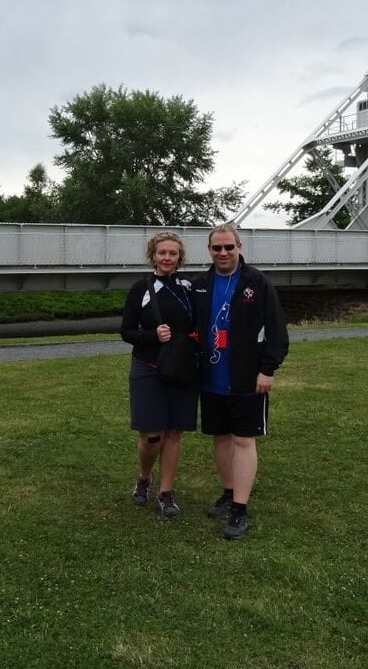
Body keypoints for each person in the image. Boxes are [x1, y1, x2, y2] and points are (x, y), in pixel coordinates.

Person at [193, 223, 288, 540]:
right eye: (217, 248)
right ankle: (227, 491)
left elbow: (276, 331)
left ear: (239, 247)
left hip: (247, 379)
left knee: (243, 440)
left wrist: (268, 369)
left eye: (228, 247)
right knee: (220, 438)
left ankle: (239, 509)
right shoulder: (201, 284)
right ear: (209, 250)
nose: (223, 253)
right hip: (211, 378)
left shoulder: (256, 282)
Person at [120, 231, 198, 518]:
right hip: (148, 367)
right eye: (162, 252)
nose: (167, 258)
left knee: (174, 431)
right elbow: (126, 331)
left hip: (182, 368)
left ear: (180, 257)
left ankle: (166, 493)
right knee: (152, 434)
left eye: (173, 253)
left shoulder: (190, 288)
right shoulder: (141, 288)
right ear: (153, 255)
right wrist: (152, 335)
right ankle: (145, 476)